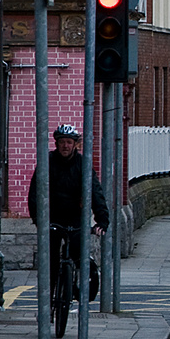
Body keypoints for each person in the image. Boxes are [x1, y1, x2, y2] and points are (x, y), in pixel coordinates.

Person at [26, 125, 108, 297]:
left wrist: (102, 220)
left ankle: (80, 282)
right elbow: (35, 192)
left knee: (79, 252)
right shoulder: (47, 162)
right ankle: (49, 298)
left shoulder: (82, 164)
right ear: (56, 143)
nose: (65, 146)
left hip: (75, 216)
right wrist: (37, 218)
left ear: (75, 145)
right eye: (62, 142)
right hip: (52, 217)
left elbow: (95, 192)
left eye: (69, 142)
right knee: (51, 260)